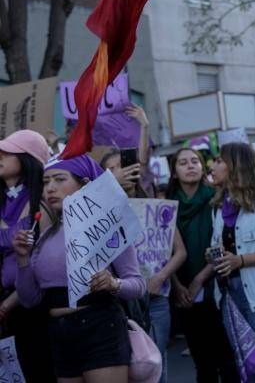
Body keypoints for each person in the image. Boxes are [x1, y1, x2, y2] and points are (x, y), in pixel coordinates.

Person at [14, 155, 146, 383]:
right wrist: (23, 260)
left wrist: (114, 284)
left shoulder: (109, 226)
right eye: (46, 182)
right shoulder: (44, 237)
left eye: (59, 179)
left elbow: (138, 284)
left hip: (101, 327)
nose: (50, 188)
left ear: (85, 184)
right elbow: (29, 299)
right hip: (59, 334)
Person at [190, 143, 255, 383]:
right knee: (248, 370)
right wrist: (214, 255)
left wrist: (240, 261)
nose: (212, 166)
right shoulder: (220, 205)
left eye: (219, 160)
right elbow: (225, 245)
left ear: (236, 165)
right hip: (230, 297)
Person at [108, 150, 187, 383]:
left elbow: (179, 251)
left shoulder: (156, 208)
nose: (122, 171)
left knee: (153, 363)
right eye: (113, 168)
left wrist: (160, 277)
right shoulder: (100, 214)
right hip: (119, 302)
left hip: (155, 300)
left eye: (125, 166)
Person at [167, 148, 239, 383]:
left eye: (195, 161)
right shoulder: (166, 206)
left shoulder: (216, 199)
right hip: (182, 290)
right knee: (201, 360)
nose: (190, 166)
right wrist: (177, 285)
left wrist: (200, 279)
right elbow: (163, 251)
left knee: (226, 356)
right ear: (174, 172)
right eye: (183, 163)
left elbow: (223, 243)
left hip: (216, 284)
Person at [0, 130, 55, 381]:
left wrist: (8, 304)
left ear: (27, 158)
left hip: (32, 306)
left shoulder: (42, 203)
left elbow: (41, 261)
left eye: (6, 151)